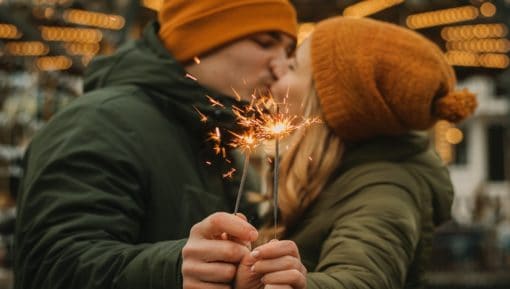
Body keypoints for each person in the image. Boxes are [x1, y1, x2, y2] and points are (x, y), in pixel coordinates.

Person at [14, 1, 307, 288]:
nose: (280, 67)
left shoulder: (221, 144)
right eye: (265, 42)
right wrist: (174, 271)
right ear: (200, 38)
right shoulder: (98, 122)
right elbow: (51, 266)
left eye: (288, 51)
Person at [266, 16, 478, 288]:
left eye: (293, 66)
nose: (276, 69)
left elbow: (363, 279)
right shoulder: (324, 171)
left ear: (328, 103)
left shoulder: (388, 189)